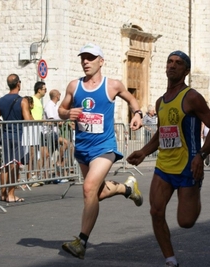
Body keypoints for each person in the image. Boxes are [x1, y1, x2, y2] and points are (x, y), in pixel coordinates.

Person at [126, 50, 210, 267]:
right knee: (156, 211)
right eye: (169, 61)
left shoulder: (192, 97)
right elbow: (163, 132)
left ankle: (196, 188)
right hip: (164, 167)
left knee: (185, 222)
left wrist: (202, 155)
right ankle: (170, 259)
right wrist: (143, 152)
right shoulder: (160, 102)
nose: (172, 65)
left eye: (178, 63)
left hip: (189, 166)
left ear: (186, 70)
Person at [58, 43, 143, 259]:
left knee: (88, 189)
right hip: (83, 149)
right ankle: (127, 189)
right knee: (96, 192)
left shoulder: (112, 85)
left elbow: (132, 99)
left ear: (101, 61)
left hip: (104, 147)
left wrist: (138, 114)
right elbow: (60, 110)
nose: (85, 61)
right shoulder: (73, 86)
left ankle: (81, 241)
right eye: (83, 58)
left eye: (90, 58)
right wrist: (68, 114)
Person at [0, 74, 33, 202]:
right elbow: (28, 119)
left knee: (5, 165)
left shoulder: (1, 100)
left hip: (5, 135)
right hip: (17, 135)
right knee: (15, 165)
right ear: (19, 83)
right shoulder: (22, 100)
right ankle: (11, 194)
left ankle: (3, 194)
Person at [44, 89, 70, 181]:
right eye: (59, 94)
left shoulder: (55, 106)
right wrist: (59, 123)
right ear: (56, 96)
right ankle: (57, 164)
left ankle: (55, 171)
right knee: (65, 143)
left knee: (49, 154)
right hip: (49, 133)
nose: (60, 95)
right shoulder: (50, 105)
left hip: (55, 132)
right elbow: (51, 120)